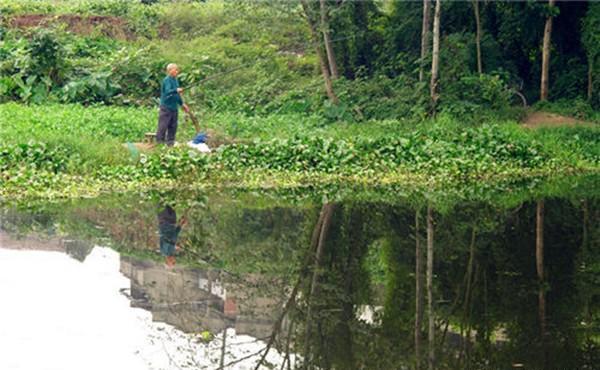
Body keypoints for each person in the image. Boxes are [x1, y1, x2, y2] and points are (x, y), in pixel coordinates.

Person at [157, 63, 189, 146]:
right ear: (170, 70)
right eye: (176, 70)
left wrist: (182, 104)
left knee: (173, 126)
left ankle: (170, 143)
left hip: (174, 107)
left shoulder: (175, 80)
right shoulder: (167, 80)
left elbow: (177, 95)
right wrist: (176, 90)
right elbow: (168, 91)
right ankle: (159, 143)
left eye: (177, 70)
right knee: (163, 125)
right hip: (166, 107)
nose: (177, 72)